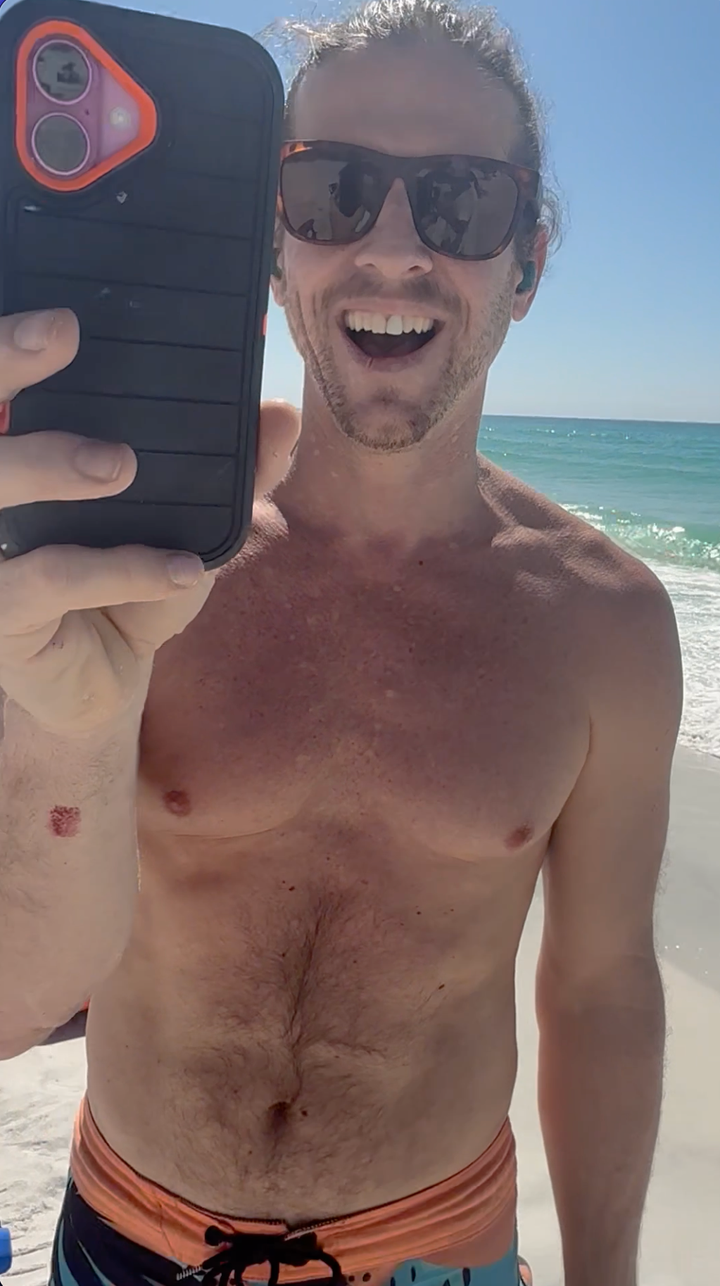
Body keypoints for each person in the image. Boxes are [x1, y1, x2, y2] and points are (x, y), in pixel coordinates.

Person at [0, 3, 683, 1285]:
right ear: (274, 245)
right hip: (125, 1236)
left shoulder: (606, 621)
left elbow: (601, 986)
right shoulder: (122, 568)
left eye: (463, 202)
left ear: (527, 263)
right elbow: (15, 998)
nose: (394, 246)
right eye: (334, 193)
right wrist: (63, 716)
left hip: (439, 1251)